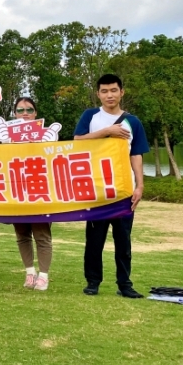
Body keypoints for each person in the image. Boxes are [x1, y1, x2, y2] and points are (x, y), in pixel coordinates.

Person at [74, 74, 149, 299]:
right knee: (94, 239)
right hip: (97, 189)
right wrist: (107, 131)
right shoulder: (91, 116)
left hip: (124, 189)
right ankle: (93, 282)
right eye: (105, 91)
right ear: (98, 94)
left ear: (121, 92)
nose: (110, 95)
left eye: (114, 90)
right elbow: (77, 141)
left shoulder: (133, 122)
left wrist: (140, 186)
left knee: (123, 240)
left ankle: (125, 284)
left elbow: (136, 154)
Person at [8, 97, 53, 291]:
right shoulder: (7, 138)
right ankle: (30, 272)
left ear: (36, 113)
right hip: (17, 190)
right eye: (20, 110)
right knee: (22, 234)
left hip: (40, 190)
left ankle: (43, 276)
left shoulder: (47, 136)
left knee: (42, 234)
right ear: (14, 114)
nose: (24, 114)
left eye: (29, 110)